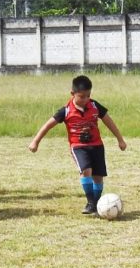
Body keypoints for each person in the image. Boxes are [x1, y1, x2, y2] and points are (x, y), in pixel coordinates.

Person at [28, 75, 127, 214]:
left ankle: (97, 204)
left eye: (88, 96)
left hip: (97, 145)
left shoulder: (94, 106)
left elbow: (108, 121)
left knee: (98, 176)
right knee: (86, 170)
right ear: (72, 94)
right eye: (82, 96)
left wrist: (120, 139)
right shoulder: (66, 111)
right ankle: (91, 203)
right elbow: (48, 125)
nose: (85, 99)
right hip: (78, 146)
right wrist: (35, 141)